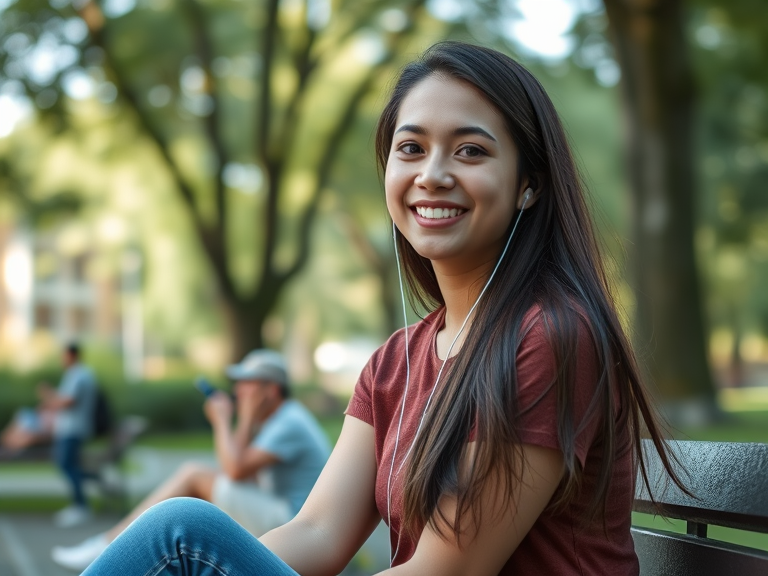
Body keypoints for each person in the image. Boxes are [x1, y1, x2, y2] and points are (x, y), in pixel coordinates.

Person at [79, 42, 688, 576]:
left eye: (471, 151)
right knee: (189, 544)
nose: (433, 174)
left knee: (181, 529)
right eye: (411, 148)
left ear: (529, 182)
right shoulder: (395, 362)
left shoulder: (550, 335)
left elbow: (447, 571)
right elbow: (317, 533)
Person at [52, 348, 331, 571]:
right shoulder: (279, 419)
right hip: (286, 516)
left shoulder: (288, 422)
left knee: (194, 475)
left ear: (272, 391)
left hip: (295, 524)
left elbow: (233, 471)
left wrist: (225, 421)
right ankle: (111, 542)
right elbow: (240, 473)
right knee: (198, 485)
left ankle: (109, 544)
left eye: (248, 383)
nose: (239, 391)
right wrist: (245, 421)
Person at [36, 343, 99, 528]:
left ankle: (81, 506)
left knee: (67, 464)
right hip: (70, 429)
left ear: (71, 355)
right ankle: (82, 498)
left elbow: (68, 401)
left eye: (63, 356)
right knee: (67, 465)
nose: (61, 360)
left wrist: (48, 396)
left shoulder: (80, 375)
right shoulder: (76, 374)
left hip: (73, 429)